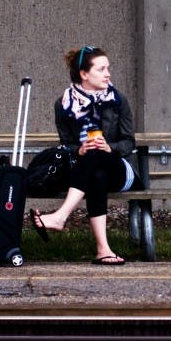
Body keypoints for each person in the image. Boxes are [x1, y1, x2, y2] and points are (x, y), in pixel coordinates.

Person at [30, 45, 139, 265]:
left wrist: (110, 148)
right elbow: (66, 144)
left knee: (97, 155)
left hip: (120, 169)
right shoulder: (63, 105)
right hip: (88, 173)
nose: (108, 74)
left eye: (108, 68)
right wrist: (78, 150)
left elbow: (129, 142)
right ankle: (103, 249)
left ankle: (60, 216)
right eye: (101, 69)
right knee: (94, 169)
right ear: (84, 74)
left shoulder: (118, 101)